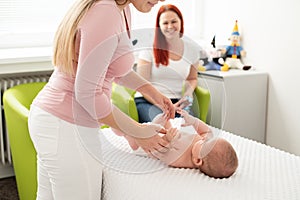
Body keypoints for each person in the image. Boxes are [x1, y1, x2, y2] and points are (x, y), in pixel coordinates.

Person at [27, 0, 175, 199]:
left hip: (57, 122)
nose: (161, 0)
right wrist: (136, 131)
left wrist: (150, 91)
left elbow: (110, 66)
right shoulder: (106, 13)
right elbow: (87, 92)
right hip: (65, 124)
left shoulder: (121, 11)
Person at [113, 110, 239, 178]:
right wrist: (192, 121)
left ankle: (118, 128)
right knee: (161, 117)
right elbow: (206, 130)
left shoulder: (180, 159)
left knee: (128, 133)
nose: (203, 139)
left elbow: (162, 152)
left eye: (203, 143)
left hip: (147, 146)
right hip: (163, 133)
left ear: (197, 160)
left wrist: (167, 139)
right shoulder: (206, 145)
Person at [134, 4, 201, 123]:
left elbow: (192, 78)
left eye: (174, 21)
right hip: (149, 101)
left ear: (181, 22)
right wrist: (165, 106)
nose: (170, 26)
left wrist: (188, 93)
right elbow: (143, 86)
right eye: (165, 23)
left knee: (193, 128)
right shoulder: (148, 48)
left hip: (177, 102)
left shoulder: (192, 50)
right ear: (159, 26)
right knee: (166, 127)